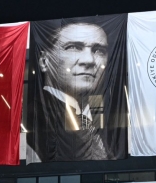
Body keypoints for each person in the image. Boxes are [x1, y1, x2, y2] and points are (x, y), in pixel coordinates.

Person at [30, 21, 113, 162]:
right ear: (44, 61)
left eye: (99, 51)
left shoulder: (105, 118)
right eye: (73, 48)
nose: (89, 60)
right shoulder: (35, 117)